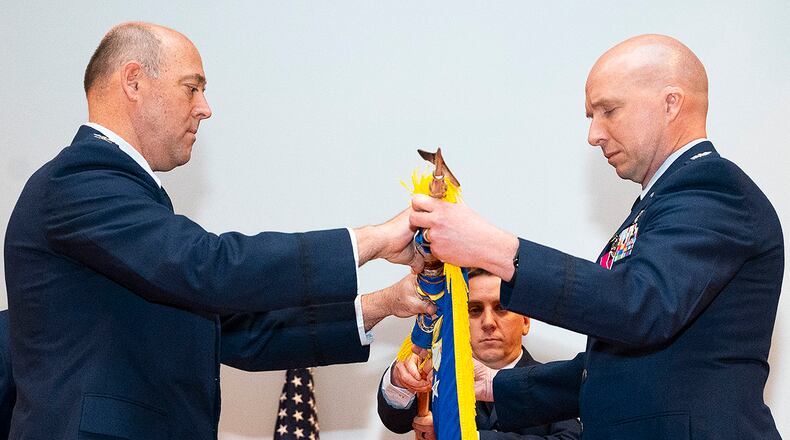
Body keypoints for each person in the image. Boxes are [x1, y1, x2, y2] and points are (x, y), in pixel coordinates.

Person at [3, 22, 432, 439]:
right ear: (133, 81)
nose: (205, 107)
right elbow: (208, 266)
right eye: (192, 87)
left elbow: (240, 332)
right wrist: (375, 240)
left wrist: (387, 302)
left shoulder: (124, 198)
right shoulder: (79, 181)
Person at [409, 34, 783, 439]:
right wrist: (494, 385)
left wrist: (496, 250)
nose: (594, 134)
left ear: (671, 103)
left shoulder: (712, 187)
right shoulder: (663, 199)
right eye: (591, 115)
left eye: (608, 110)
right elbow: (619, 367)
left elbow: (639, 306)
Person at [377, 269, 581, 440]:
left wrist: (462, 435)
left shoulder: (550, 381)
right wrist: (399, 379)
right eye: (474, 310)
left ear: (526, 321)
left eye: (501, 308)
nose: (489, 323)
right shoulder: (441, 379)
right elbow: (396, 420)